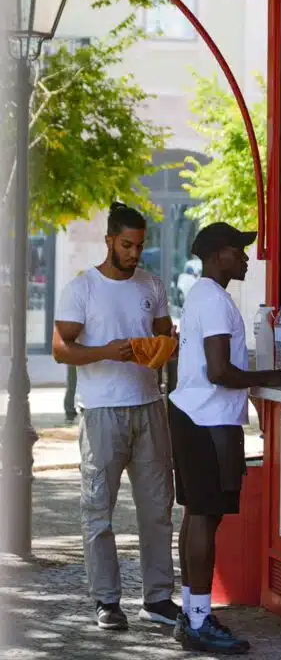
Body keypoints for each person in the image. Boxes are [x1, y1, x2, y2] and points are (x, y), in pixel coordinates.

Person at [168, 222, 281, 655]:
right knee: (206, 516)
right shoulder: (217, 301)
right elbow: (220, 372)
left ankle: (192, 613)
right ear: (216, 256)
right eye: (237, 251)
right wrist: (273, 377)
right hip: (208, 421)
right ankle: (201, 621)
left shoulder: (201, 296)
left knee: (195, 514)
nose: (244, 258)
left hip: (191, 414)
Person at [53, 202, 180, 632]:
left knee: (158, 508)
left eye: (140, 246)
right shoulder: (81, 288)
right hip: (101, 410)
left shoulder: (152, 283)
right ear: (109, 240)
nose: (134, 253)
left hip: (149, 406)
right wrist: (106, 351)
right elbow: (60, 348)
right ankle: (107, 601)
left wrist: (166, 345)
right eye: (127, 244)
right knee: (98, 511)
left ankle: (159, 599)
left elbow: (164, 334)